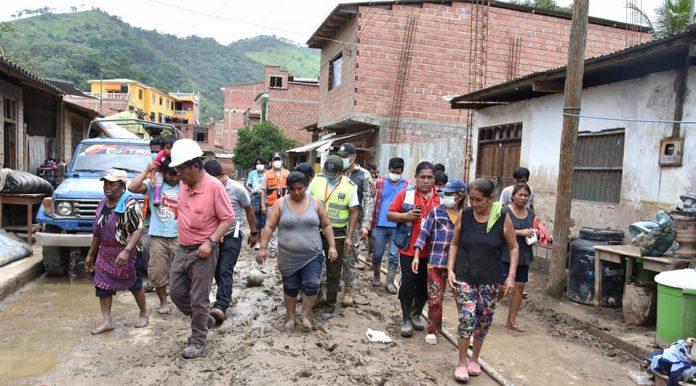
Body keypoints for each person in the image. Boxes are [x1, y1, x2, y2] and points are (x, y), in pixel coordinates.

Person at [446, 178, 519, 382]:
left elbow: (514, 248)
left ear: (490, 199)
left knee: (484, 318)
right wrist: (450, 269)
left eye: (479, 200)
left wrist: (511, 277)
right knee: (467, 317)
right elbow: (454, 243)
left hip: (490, 279)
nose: (474, 204)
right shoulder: (466, 214)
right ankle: (461, 362)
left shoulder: (502, 217)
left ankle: (474, 358)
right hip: (465, 276)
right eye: (472, 199)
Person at [168, 139, 235, 359]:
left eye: (181, 169)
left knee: (199, 298)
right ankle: (202, 317)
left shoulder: (214, 187)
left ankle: (198, 340)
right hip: (182, 248)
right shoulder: (184, 184)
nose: (178, 174)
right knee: (176, 293)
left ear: (195, 167)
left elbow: (228, 219)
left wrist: (210, 241)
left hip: (203, 251)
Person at [256, 171, 337, 331]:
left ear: (306, 187)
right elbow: (269, 226)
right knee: (290, 287)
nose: (297, 192)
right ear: (288, 189)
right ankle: (291, 317)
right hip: (288, 256)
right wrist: (263, 248)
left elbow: (327, 225)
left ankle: (306, 315)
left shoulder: (316, 203)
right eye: (292, 189)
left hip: (312, 254)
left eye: (300, 188)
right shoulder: (280, 204)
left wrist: (332, 246)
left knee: (311, 285)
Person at [85, 169, 148, 334]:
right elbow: (97, 232)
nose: (107, 187)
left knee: (135, 285)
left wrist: (126, 251)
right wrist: (91, 254)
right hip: (105, 253)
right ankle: (107, 321)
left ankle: (143, 313)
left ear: (122, 186)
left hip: (128, 252)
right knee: (102, 286)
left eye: (112, 184)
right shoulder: (102, 203)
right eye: (105, 184)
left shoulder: (130, 204)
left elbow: (138, 229)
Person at [387, 161, 440, 337]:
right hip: (409, 249)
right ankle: (406, 319)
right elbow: (390, 214)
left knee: (425, 286)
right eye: (422, 177)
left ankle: (416, 313)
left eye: (429, 177)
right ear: (416, 178)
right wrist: (405, 216)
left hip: (433, 251)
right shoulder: (406, 194)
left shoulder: (440, 198)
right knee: (408, 283)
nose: (426, 181)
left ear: (434, 179)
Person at [204, 159, 259, 325]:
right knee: (216, 269)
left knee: (225, 269)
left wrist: (254, 233)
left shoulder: (237, 189)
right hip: (213, 236)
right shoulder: (205, 188)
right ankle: (226, 295)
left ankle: (221, 305)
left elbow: (249, 210)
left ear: (223, 176)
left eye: (215, 179)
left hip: (232, 234)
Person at [412, 179, 467, 345]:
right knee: (435, 299)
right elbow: (423, 235)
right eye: (446, 194)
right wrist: (416, 255)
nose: (447, 198)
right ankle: (433, 330)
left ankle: (465, 333)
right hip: (436, 263)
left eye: (451, 195)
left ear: (460, 196)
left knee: (463, 300)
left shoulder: (467, 215)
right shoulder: (436, 213)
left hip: (460, 266)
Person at [309, 155, 358, 320]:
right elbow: (305, 200)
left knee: (333, 269)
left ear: (341, 172)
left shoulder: (350, 186)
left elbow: (354, 212)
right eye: (327, 173)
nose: (330, 176)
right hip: (315, 229)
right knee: (311, 265)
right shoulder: (317, 180)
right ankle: (315, 296)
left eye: (333, 174)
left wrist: (349, 237)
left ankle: (330, 305)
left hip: (338, 233)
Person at [129, 158, 180, 315]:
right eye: (171, 174)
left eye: (177, 174)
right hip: (158, 235)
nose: (175, 178)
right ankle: (163, 302)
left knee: (184, 271)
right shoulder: (154, 186)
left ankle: (184, 299)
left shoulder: (185, 186)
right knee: (157, 272)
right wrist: (147, 171)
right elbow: (132, 187)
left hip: (180, 236)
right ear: (164, 174)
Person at [337, 143, 374, 305]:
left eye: (346, 157)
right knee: (332, 255)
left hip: (355, 223)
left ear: (354, 156)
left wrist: (366, 225)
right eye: (341, 156)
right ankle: (332, 285)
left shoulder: (364, 175)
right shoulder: (336, 171)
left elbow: (368, 201)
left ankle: (348, 290)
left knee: (349, 257)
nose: (343, 159)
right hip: (336, 221)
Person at [371, 157, 409, 293]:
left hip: (397, 226)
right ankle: (376, 275)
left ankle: (390, 282)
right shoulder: (379, 182)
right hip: (379, 225)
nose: (395, 174)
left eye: (398, 172)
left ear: (402, 171)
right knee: (377, 254)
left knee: (394, 255)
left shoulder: (406, 185)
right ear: (389, 169)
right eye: (393, 171)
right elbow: (371, 201)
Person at [502, 183, 536, 333]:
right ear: (513, 196)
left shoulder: (531, 214)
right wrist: (520, 232)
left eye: (526, 196)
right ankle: (483, 315)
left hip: (523, 255)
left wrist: (538, 234)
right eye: (520, 195)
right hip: (504, 255)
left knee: (519, 287)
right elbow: (500, 231)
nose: (523, 198)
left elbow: (536, 229)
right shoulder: (505, 212)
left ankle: (511, 320)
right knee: (501, 288)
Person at [260, 152, 289, 258]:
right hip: (271, 205)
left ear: (282, 161)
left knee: (284, 225)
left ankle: (282, 248)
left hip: (285, 204)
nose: (277, 162)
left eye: (278, 159)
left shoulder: (287, 173)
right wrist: (262, 205)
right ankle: (273, 248)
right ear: (272, 162)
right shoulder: (267, 174)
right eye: (275, 160)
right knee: (272, 226)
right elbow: (263, 190)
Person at [246, 156, 268, 250]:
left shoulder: (268, 173)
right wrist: (251, 190)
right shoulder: (252, 173)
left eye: (261, 163)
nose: (259, 165)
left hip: (266, 198)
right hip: (255, 197)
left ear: (264, 164)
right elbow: (248, 184)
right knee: (257, 221)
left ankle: (265, 241)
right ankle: (259, 241)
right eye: (257, 163)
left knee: (266, 220)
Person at [151, 136, 175, 207]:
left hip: (173, 171)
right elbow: (155, 167)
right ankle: (157, 198)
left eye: (173, 148)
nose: (170, 151)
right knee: (158, 181)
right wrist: (152, 178)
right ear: (163, 148)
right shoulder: (160, 156)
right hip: (160, 170)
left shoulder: (177, 156)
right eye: (168, 148)